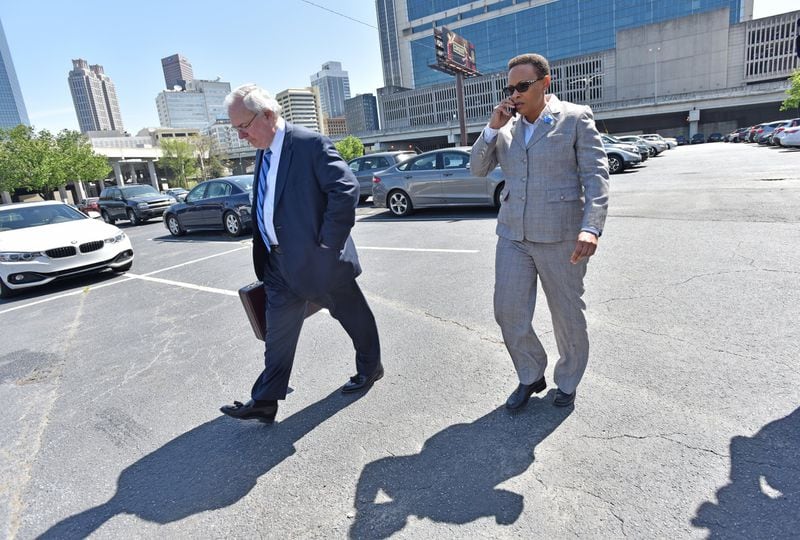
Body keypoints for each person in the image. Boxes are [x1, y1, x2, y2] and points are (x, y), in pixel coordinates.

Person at [220, 84, 383, 423]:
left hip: (319, 261)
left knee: (353, 316)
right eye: (235, 128)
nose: (240, 136)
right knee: (277, 336)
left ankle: (370, 368)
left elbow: (345, 191)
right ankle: (265, 400)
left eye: (243, 126)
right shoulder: (263, 149)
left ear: (267, 115)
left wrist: (327, 246)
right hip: (278, 264)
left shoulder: (309, 144)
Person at [470, 53, 609, 410]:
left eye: (522, 86)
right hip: (513, 235)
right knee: (508, 311)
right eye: (509, 87)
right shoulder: (506, 127)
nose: (514, 93)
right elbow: (478, 169)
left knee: (566, 315)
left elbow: (596, 177)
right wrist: (491, 127)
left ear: (546, 83)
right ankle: (531, 375)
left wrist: (591, 227)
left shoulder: (575, 118)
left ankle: (568, 379)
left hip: (561, 236)